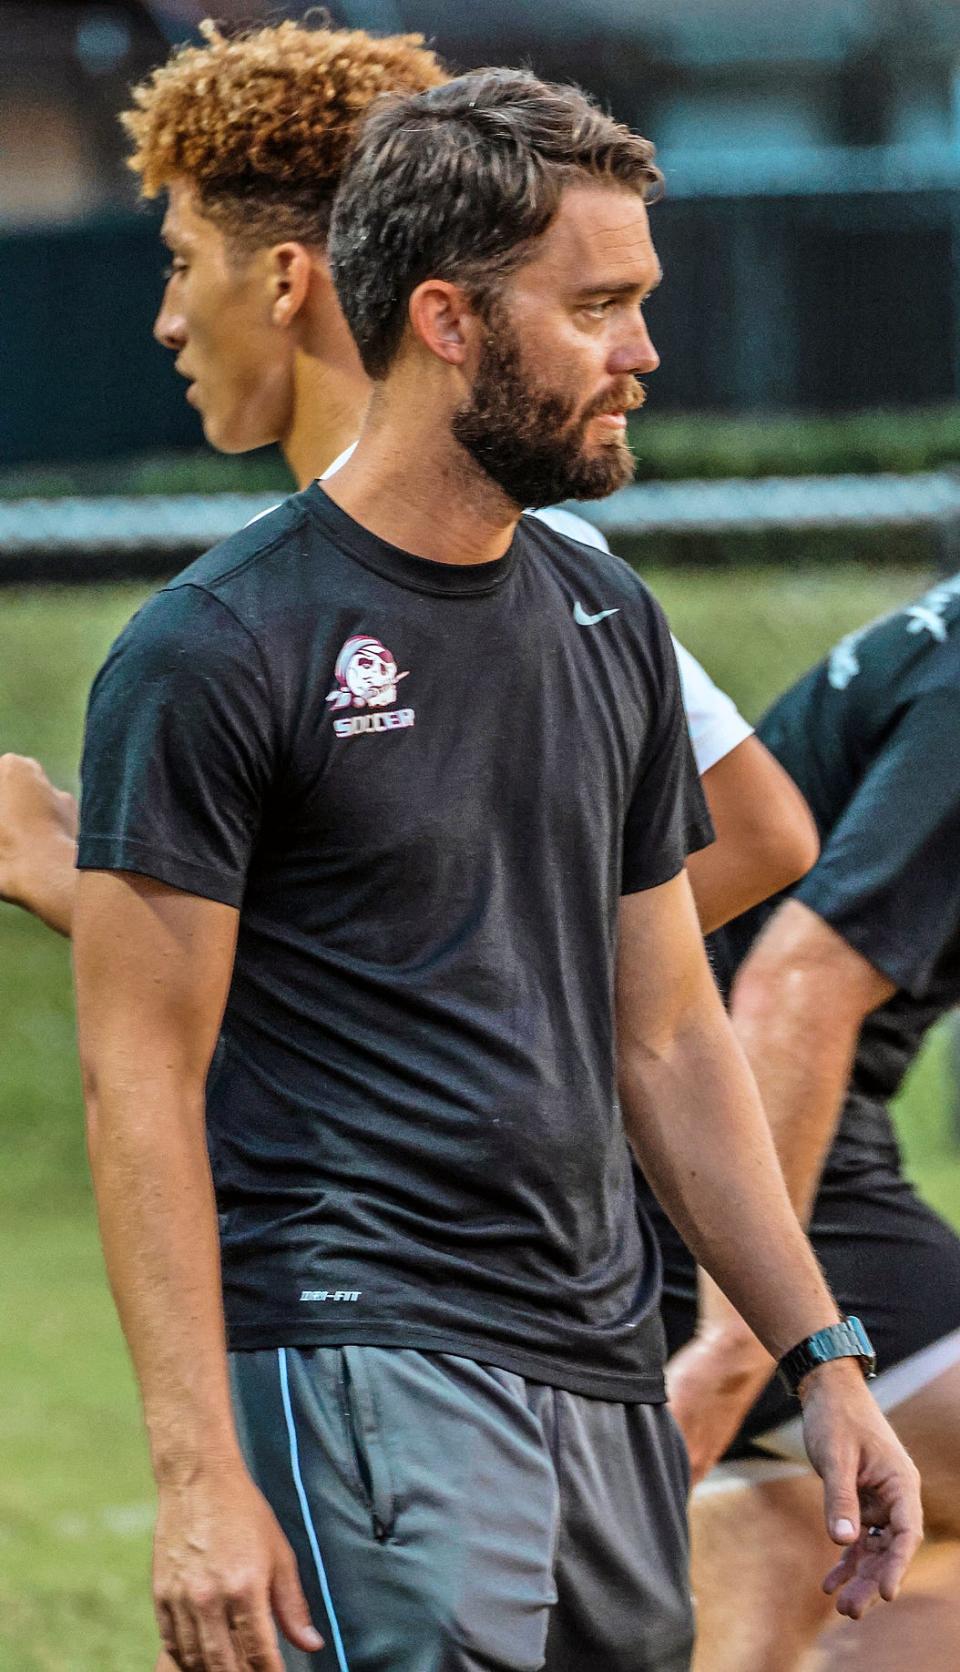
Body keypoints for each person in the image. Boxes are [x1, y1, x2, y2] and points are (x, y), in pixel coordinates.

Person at [71, 67, 920, 1672]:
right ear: (450, 321)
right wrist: (197, 1476)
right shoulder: (216, 646)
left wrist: (822, 1359)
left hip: (603, 1364)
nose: (645, 354)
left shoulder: (608, 624)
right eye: (598, 306)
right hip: (363, 1360)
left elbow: (668, 1033)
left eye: (642, 302)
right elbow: (138, 1077)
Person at [0, 20, 818, 945]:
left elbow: (756, 836)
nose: (169, 320)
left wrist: (52, 875)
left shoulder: (506, 549)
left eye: (183, 262)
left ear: (283, 280)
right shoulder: (315, 564)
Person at [653, 574, 960, 1671]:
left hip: (775, 1133)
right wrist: (745, 1342)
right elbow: (794, 985)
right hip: (716, 1136)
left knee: (844, 1557)